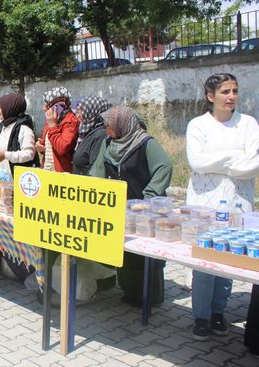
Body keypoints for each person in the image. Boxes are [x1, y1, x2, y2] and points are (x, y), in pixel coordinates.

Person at [184, 73, 259, 341]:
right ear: (210, 96)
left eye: (235, 91)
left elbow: (252, 166)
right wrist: (231, 158)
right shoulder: (197, 126)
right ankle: (201, 316)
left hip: (238, 203)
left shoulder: (248, 124)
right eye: (225, 91)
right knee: (204, 263)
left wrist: (217, 161)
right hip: (205, 203)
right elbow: (198, 163)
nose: (231, 97)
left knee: (228, 261)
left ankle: (218, 312)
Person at [90, 106, 172, 307]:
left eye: (108, 126)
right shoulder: (109, 144)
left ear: (122, 125)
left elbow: (164, 166)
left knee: (145, 255)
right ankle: (129, 292)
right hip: (120, 210)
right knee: (125, 252)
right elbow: (98, 170)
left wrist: (149, 197)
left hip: (144, 210)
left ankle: (150, 297)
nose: (106, 130)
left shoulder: (145, 143)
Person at [0, 92, 38, 176]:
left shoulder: (23, 129)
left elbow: (29, 154)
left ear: (10, 108)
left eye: (0, 107)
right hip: (5, 180)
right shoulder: (0, 127)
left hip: (21, 181)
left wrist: (6, 155)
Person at [36, 87, 79, 173]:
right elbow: (47, 144)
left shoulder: (70, 120)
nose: (44, 109)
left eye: (47, 105)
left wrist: (52, 126)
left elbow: (62, 148)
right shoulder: (51, 119)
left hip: (61, 174)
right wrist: (40, 146)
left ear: (57, 106)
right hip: (46, 169)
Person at [72, 96, 112, 175]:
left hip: (88, 186)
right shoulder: (87, 132)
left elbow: (95, 169)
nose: (78, 115)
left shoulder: (100, 135)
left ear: (93, 113)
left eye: (81, 111)